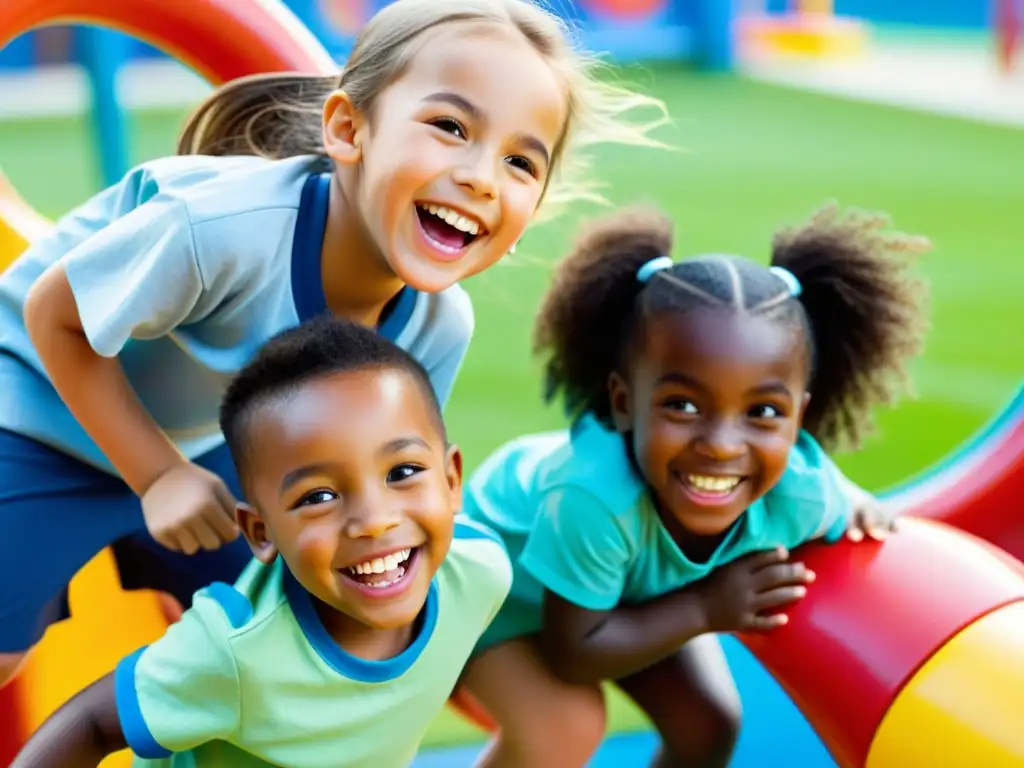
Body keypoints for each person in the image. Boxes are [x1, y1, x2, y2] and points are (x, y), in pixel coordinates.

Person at [0, 0, 667, 686]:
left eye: (520, 164)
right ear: (349, 129)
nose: (480, 177)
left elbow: (388, 477)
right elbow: (55, 317)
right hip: (34, 401)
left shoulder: (437, 325)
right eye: (448, 127)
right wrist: (158, 474)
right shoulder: (224, 228)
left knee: (290, 654)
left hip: (203, 442)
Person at [458, 203, 931, 767]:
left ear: (799, 419)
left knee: (709, 724)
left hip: (622, 601)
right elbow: (574, 654)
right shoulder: (594, 500)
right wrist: (706, 607)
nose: (723, 444)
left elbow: (847, 513)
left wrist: (856, 504)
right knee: (567, 723)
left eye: (762, 412)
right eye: (682, 405)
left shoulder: (802, 495)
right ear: (623, 403)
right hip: (497, 592)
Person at [12, 316, 512, 768]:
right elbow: (92, 724)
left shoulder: (480, 571)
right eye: (318, 496)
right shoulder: (232, 651)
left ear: (451, 482)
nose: (374, 522)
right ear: (261, 532)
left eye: (402, 471)